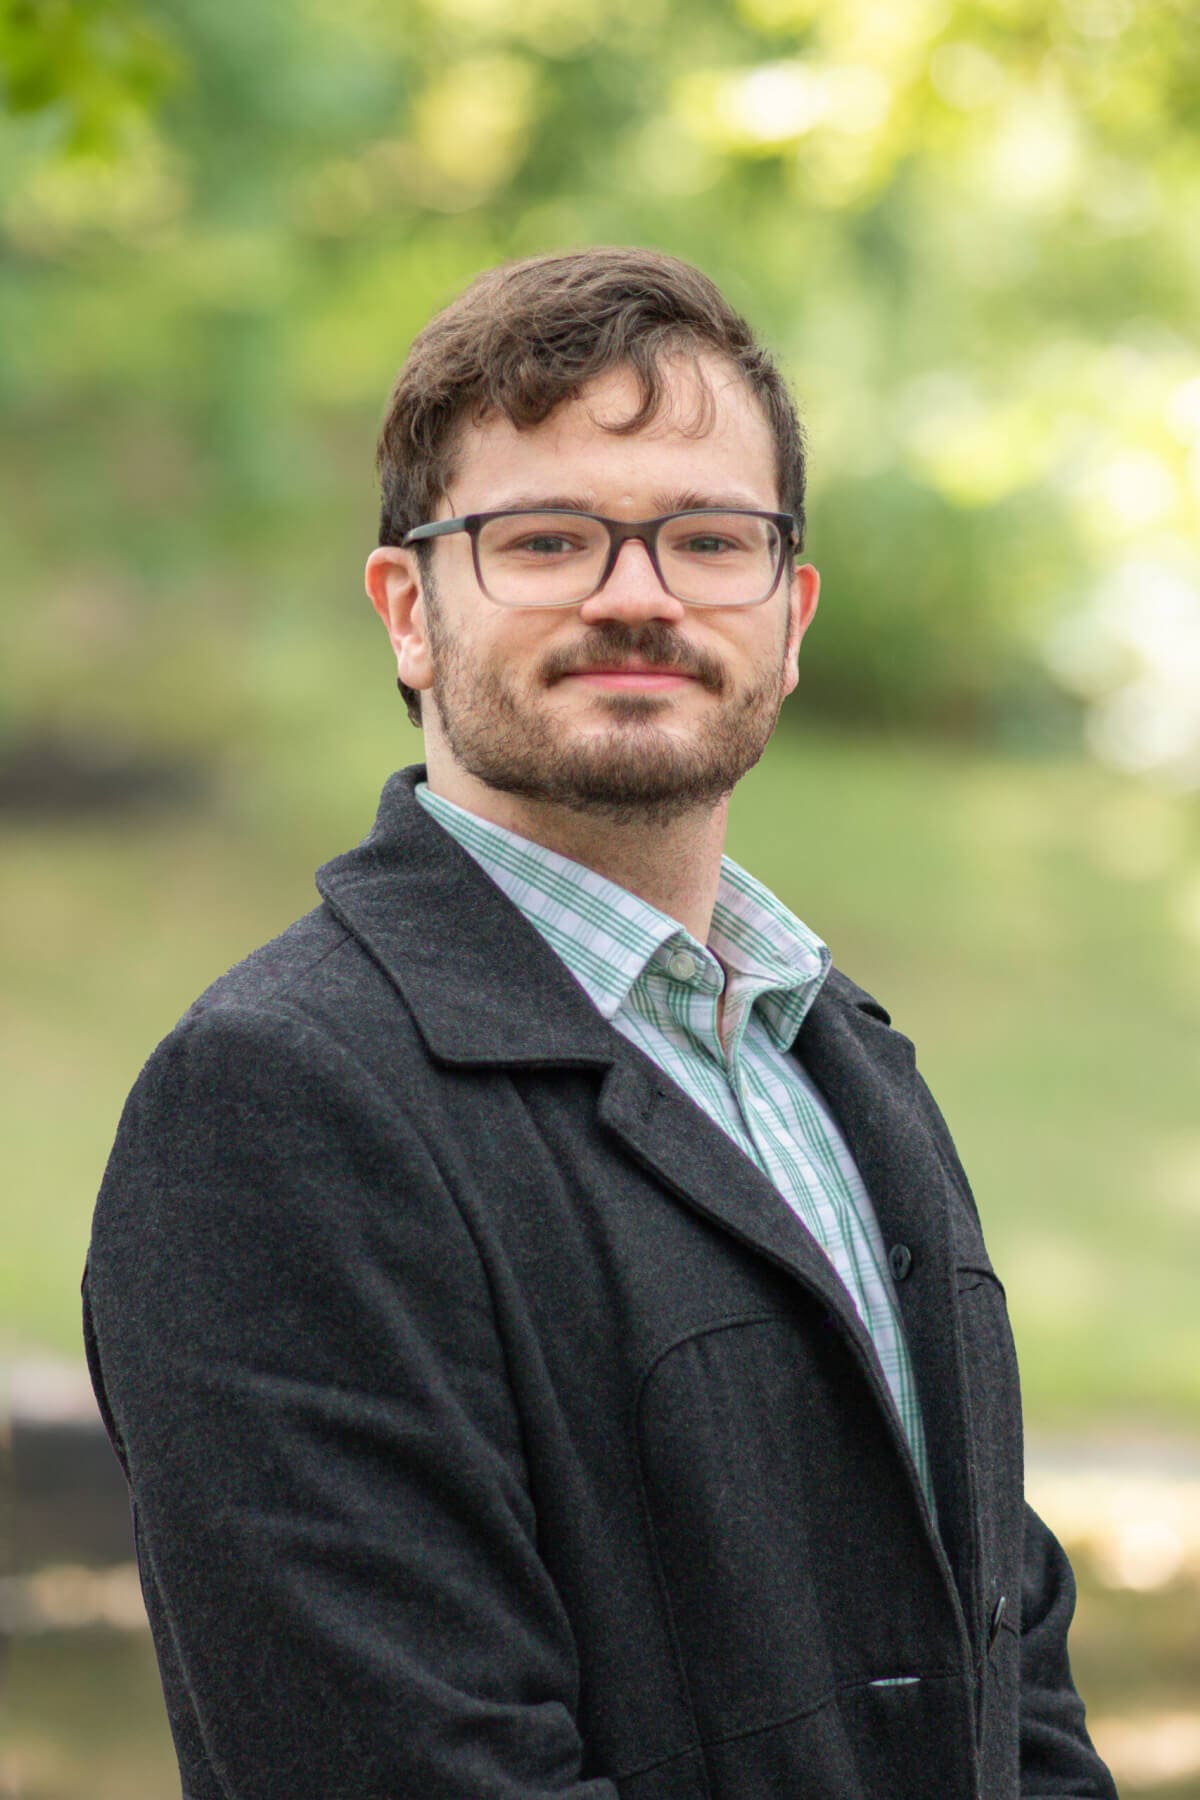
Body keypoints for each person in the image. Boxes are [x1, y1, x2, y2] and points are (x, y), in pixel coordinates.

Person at [83, 247, 1117, 1800]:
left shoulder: (837, 1062)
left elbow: (1007, 1673)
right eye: (547, 537)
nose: (637, 595)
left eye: (709, 539)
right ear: (408, 610)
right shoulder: (275, 1104)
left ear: (789, 612)